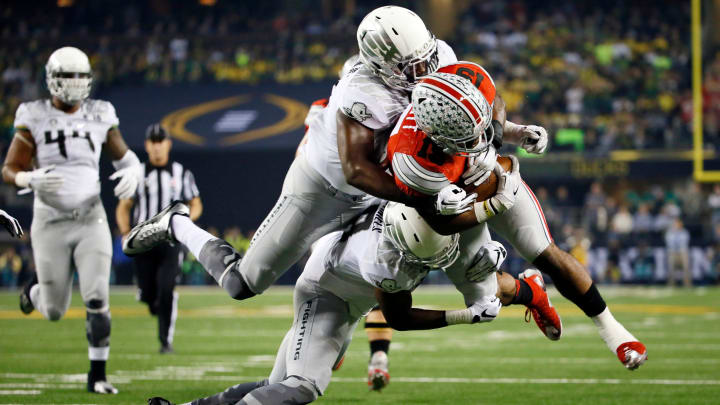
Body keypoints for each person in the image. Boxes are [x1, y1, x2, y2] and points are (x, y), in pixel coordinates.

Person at [146, 201, 553, 405]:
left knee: (275, 389)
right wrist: (463, 316)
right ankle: (178, 225)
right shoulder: (387, 262)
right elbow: (399, 316)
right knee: (301, 388)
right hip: (327, 295)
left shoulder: (407, 211)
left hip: (342, 275)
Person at [384, 63, 647, 370]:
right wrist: (494, 205)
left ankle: (612, 330)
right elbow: (440, 221)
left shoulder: (462, 79)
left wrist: (511, 134)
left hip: (497, 179)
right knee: (484, 298)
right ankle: (530, 292)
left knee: (545, 252)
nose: (475, 146)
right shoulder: (412, 163)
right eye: (465, 141)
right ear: (437, 136)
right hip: (456, 212)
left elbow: (495, 104)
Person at [2, 46, 143, 394]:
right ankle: (35, 292)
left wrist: (135, 169)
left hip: (90, 217)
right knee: (53, 310)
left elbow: (123, 155)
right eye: (67, 76)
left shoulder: (100, 113)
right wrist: (26, 179)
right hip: (49, 220)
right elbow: (10, 168)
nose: (75, 83)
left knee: (97, 296)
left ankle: (97, 376)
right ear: (52, 79)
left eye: (81, 75)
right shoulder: (33, 114)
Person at [116, 123, 202, 353]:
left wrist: (184, 222)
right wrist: (126, 231)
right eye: (152, 142)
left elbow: (196, 204)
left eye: (160, 141)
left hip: (170, 241)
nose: (156, 147)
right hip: (143, 241)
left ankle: (165, 341)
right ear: (147, 146)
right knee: (148, 293)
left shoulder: (182, 173)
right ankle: (150, 300)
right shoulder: (137, 174)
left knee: (167, 287)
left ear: (168, 144)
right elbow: (124, 206)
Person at [665, 218, 691, 287]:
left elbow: (684, 243)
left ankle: (687, 283)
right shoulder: (670, 233)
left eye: (678, 224)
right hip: (673, 252)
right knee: (671, 267)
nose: (677, 225)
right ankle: (671, 284)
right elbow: (670, 243)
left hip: (682, 252)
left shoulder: (685, 232)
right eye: (676, 224)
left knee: (686, 267)